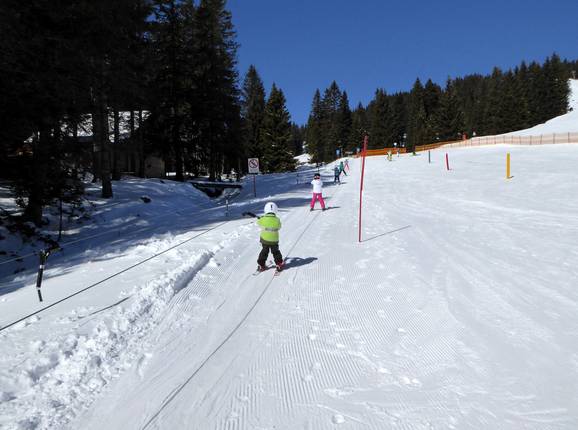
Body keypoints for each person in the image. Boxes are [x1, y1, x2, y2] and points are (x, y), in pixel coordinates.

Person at [257, 202, 284, 272]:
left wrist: (261, 219)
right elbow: (279, 226)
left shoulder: (263, 219)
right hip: (274, 241)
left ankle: (261, 264)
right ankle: (279, 263)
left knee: (264, 251)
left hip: (264, 240)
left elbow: (259, 223)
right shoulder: (277, 219)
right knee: (276, 252)